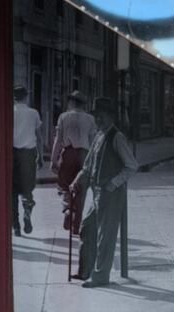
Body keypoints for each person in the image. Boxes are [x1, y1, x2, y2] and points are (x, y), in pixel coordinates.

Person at [71, 97, 138, 287]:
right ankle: (86, 271)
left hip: (111, 193)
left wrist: (114, 183)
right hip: (97, 191)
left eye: (101, 117)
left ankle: (100, 277)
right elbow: (88, 164)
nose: (98, 120)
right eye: (96, 117)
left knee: (105, 237)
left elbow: (132, 166)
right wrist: (77, 179)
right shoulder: (99, 136)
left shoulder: (117, 137)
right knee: (87, 227)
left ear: (110, 117)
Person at [51, 91, 93, 232]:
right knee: (81, 189)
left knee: (64, 185)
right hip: (85, 155)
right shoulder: (90, 119)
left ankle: (68, 209)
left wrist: (54, 159)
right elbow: (93, 142)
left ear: (72, 103)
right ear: (83, 104)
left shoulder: (64, 117)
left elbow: (58, 140)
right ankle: (77, 225)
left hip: (68, 153)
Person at [11, 84, 43, 235]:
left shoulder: (9, 111)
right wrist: (41, 156)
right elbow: (39, 136)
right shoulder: (33, 113)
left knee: (12, 192)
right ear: (26, 97)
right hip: (28, 154)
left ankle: (15, 226)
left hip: (12, 153)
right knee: (27, 188)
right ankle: (27, 211)